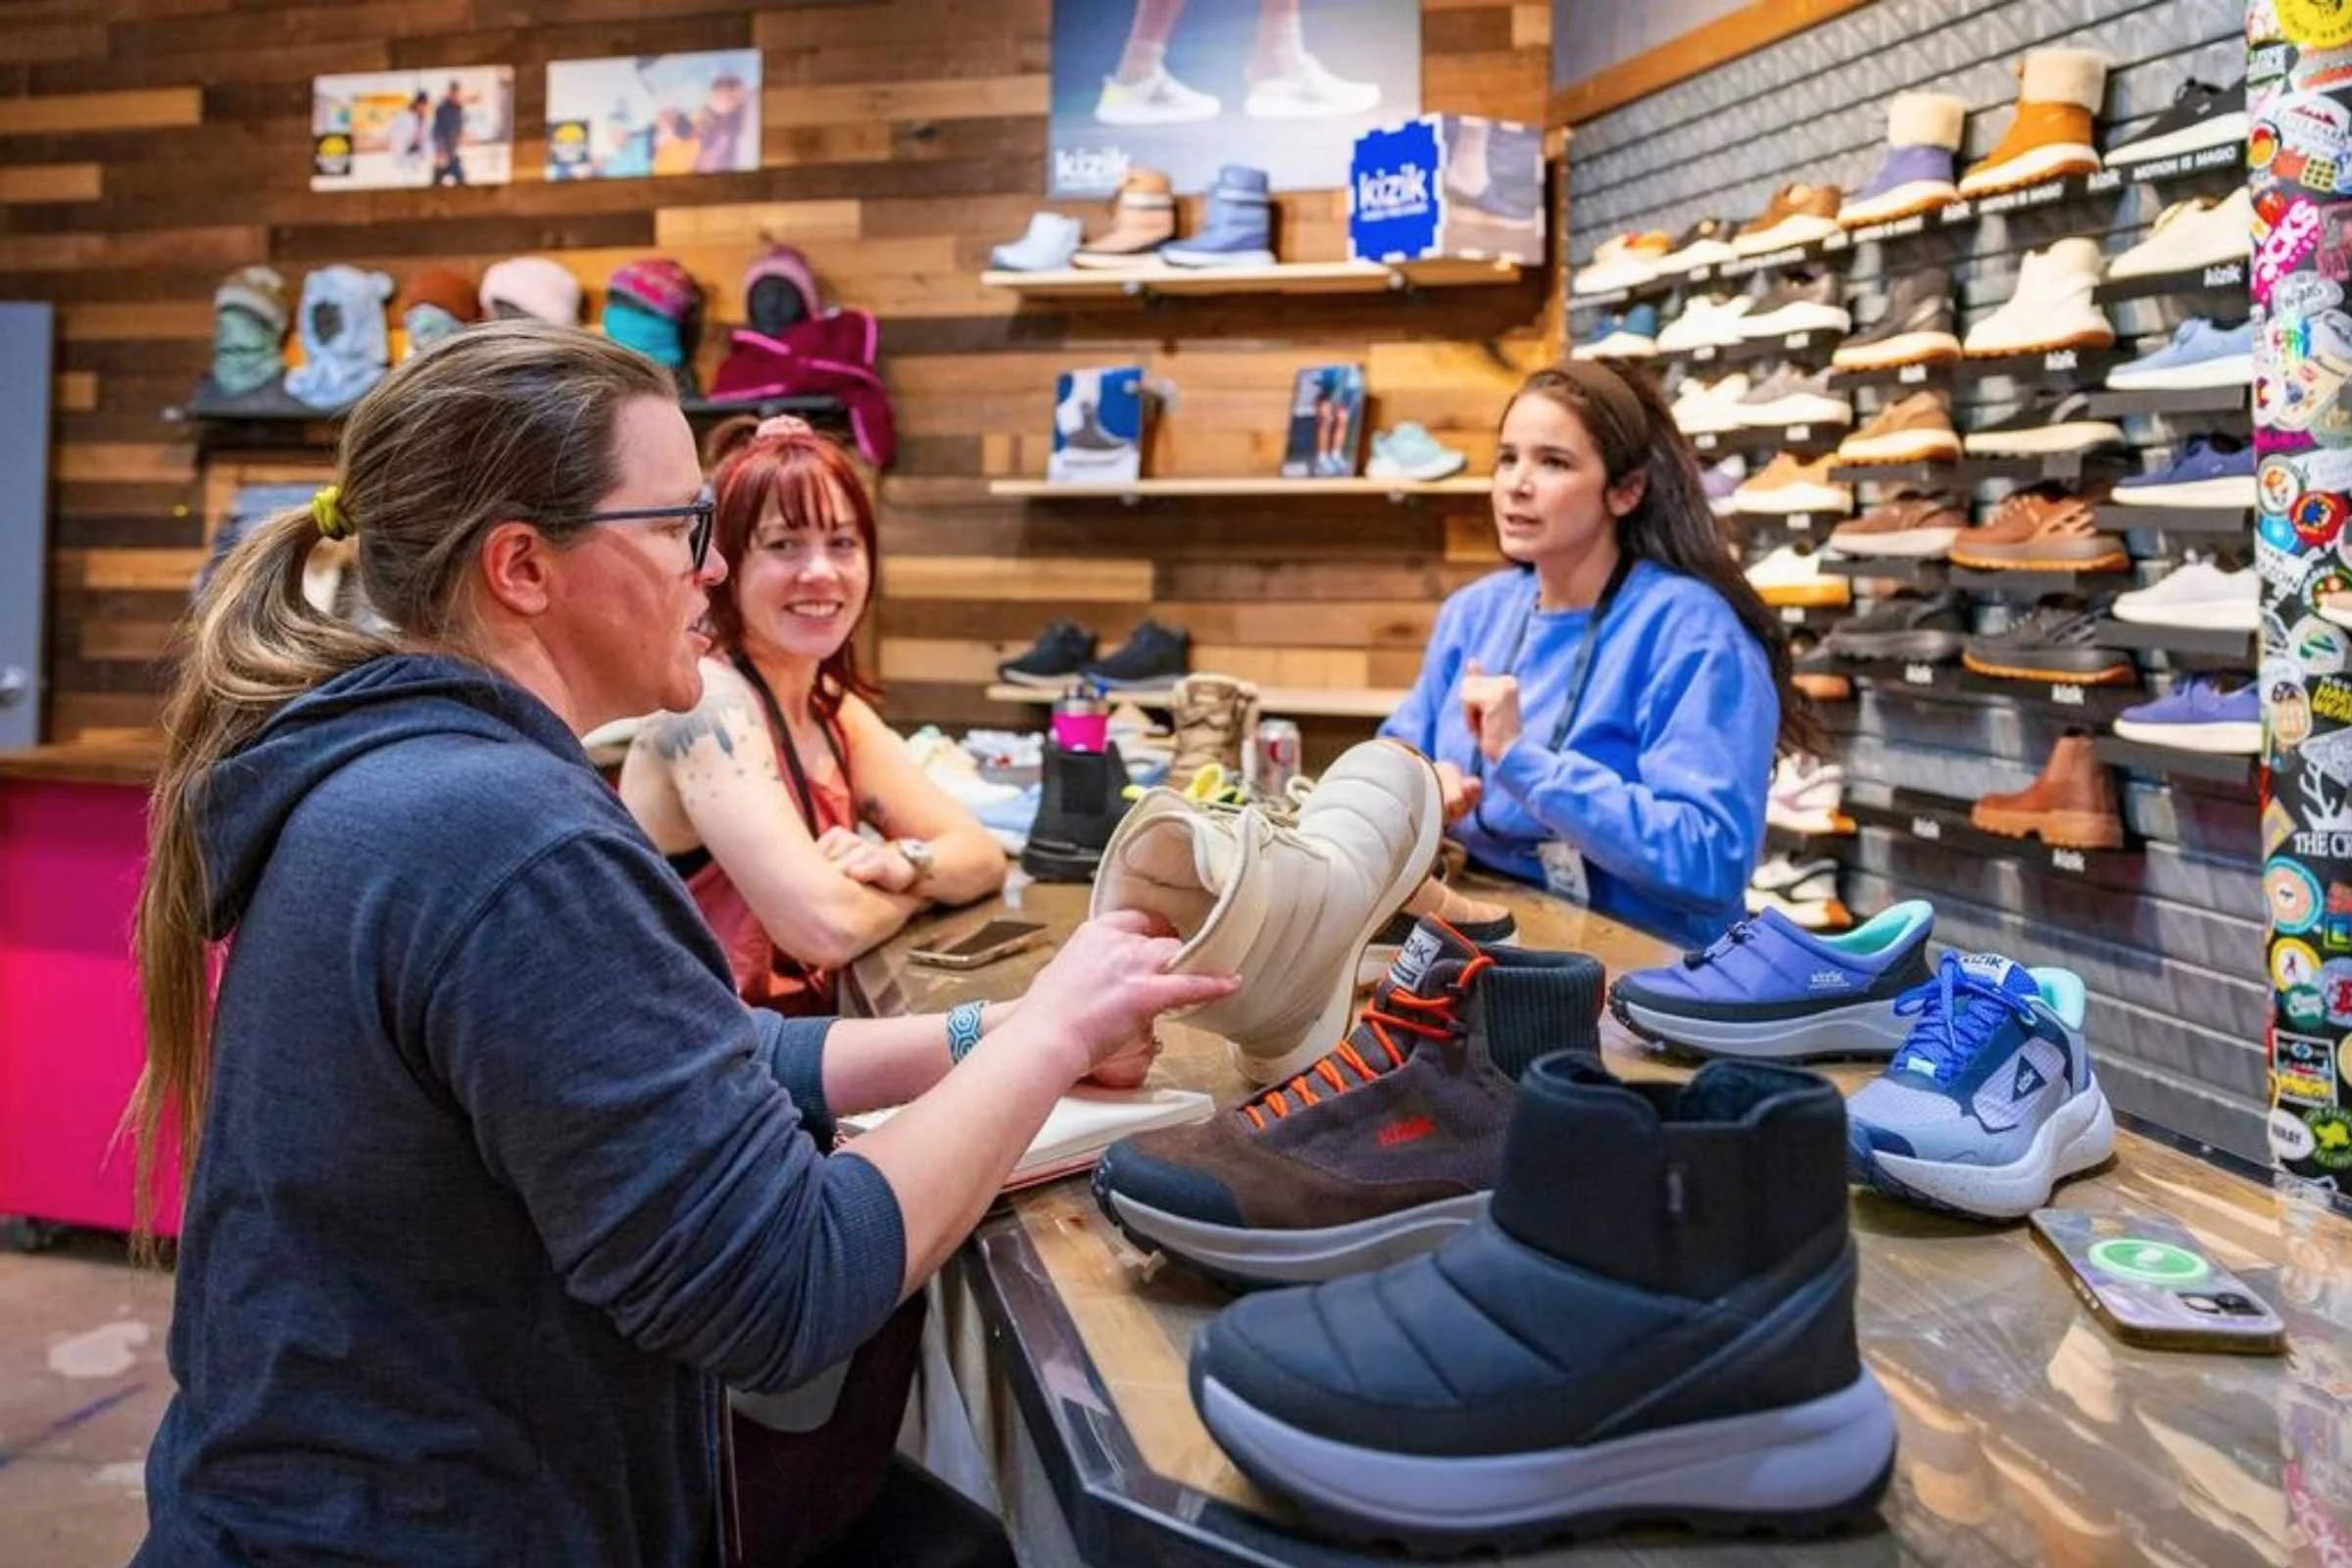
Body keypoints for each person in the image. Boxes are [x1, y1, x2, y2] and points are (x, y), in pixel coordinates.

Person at [125, 320, 1234, 1565]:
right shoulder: (502, 835)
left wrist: (1001, 1026)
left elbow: (703, 1054)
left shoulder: (416, 780)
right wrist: (1051, 1043)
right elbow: (787, 1285)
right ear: (522, 567)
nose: (708, 571)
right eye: (679, 528)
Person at [1381, 361, 1821, 947]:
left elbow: (1710, 861)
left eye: (1553, 462)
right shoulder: (1474, 612)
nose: (1516, 484)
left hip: (1651, 968)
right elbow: (1392, 757)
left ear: (1626, 490)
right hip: (1493, 940)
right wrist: (1420, 786)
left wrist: (1521, 760)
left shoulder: (1695, 631)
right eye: (1508, 458)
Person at [619, 416, 1007, 1014]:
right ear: (724, 564)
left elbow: (982, 856)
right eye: (783, 545)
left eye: (843, 543)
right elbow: (826, 929)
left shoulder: (832, 707)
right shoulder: (709, 707)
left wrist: (900, 863)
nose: (821, 571)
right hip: (699, 1052)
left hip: (793, 1039)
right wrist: (923, 888)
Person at [429, 77, 467, 185]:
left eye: (457, 93)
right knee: (437, 182)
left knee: (460, 180)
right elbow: (437, 131)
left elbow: (458, 127)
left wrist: (461, 135)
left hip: (453, 153)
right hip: (444, 154)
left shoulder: (458, 109)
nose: (456, 96)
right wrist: (441, 151)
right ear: (449, 93)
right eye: (453, 93)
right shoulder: (443, 109)